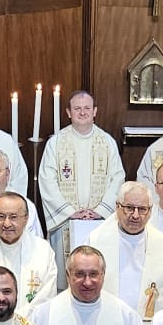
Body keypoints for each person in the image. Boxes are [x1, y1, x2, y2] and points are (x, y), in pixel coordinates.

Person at [39, 89, 124, 252]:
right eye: (77, 109)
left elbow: (118, 179)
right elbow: (47, 180)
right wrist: (69, 212)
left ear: (95, 111)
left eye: (87, 108)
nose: (83, 112)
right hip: (66, 222)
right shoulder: (55, 143)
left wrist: (100, 211)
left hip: (100, 222)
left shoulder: (107, 142)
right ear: (69, 113)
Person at [88, 182, 163, 323]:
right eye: (129, 208)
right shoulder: (96, 241)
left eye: (142, 209)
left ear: (150, 211)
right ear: (118, 206)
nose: (135, 215)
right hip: (106, 324)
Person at [0, 194, 58, 314]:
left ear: (26, 218)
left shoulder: (43, 250)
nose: (7, 224)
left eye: (13, 217)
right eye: (1, 217)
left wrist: (17, 322)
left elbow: (46, 297)